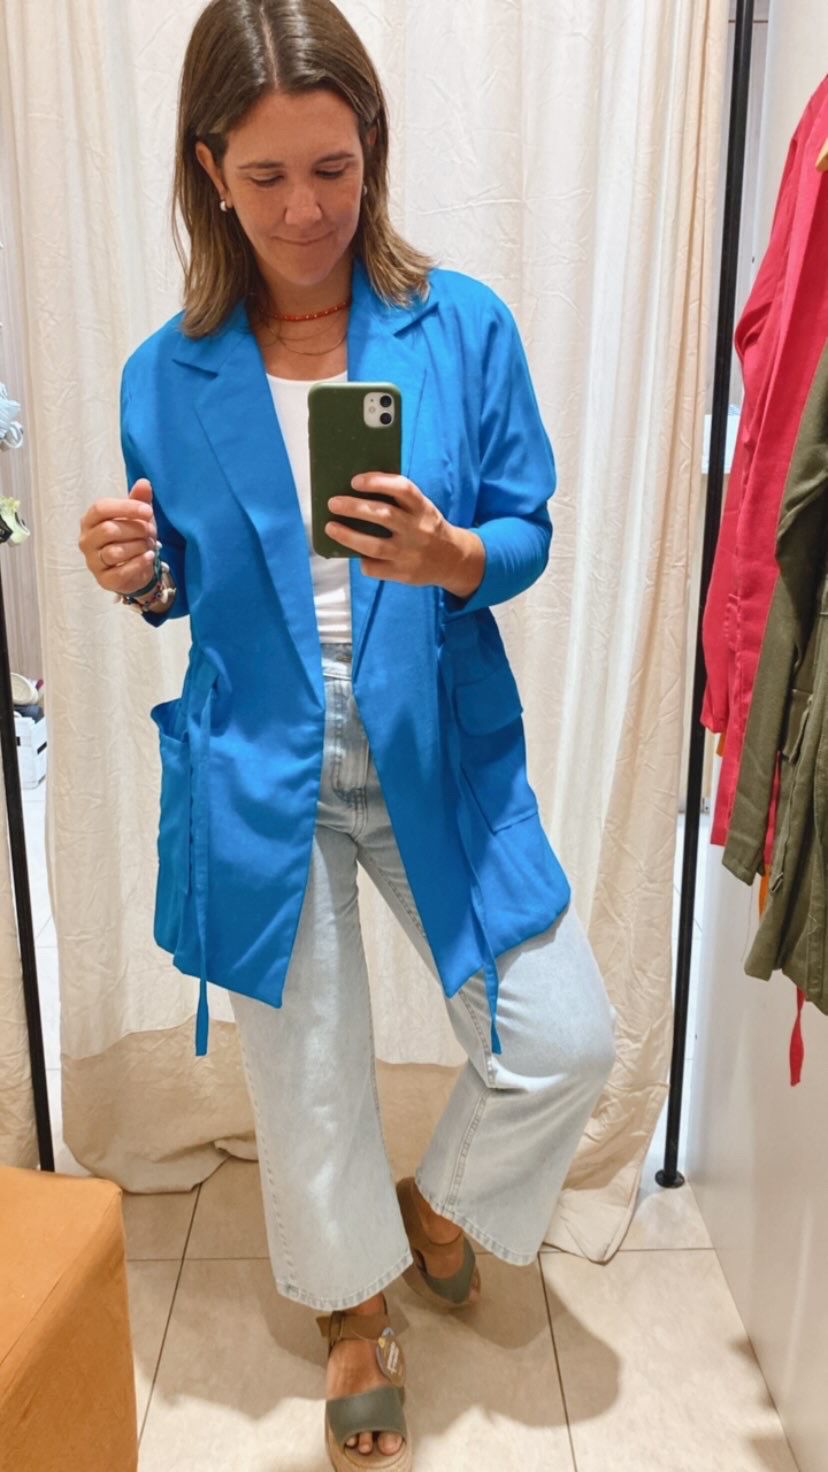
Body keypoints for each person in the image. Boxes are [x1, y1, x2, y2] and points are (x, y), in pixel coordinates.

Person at [78, 2, 618, 1466]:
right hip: (266, 767)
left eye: (333, 167)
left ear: (372, 146)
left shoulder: (462, 325)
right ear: (209, 170)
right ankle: (354, 1312)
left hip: (436, 747)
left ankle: (437, 1204)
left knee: (563, 1038)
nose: (307, 210)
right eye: (266, 177)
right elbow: (186, 577)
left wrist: (456, 558)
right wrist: (139, 575)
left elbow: (526, 524)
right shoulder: (167, 373)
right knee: (308, 1074)